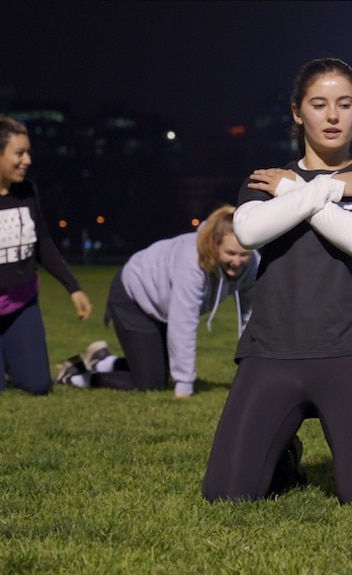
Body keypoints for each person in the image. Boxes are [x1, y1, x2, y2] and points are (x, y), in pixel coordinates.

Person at [201, 57, 352, 507]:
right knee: (225, 494)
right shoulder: (263, 181)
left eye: (344, 104)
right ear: (296, 112)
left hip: (351, 350)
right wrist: (331, 188)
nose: (332, 115)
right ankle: (281, 458)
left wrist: (297, 191)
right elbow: (248, 233)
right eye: (319, 104)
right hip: (271, 351)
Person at [56, 204, 258, 398]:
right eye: (230, 253)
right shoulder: (193, 262)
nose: (237, 262)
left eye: (243, 254)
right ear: (215, 245)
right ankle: (75, 377)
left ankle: (103, 361)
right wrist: (184, 385)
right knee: (150, 383)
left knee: (159, 371)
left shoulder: (252, 263)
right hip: (133, 297)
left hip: (163, 307)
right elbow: (183, 324)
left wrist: (252, 370)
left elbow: (252, 315)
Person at [0, 115, 93, 395]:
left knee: (38, 385)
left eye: (27, 152)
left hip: (21, 304)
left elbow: (43, 243)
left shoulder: (27, 191)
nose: (27, 160)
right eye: (19, 153)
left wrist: (73, 287)